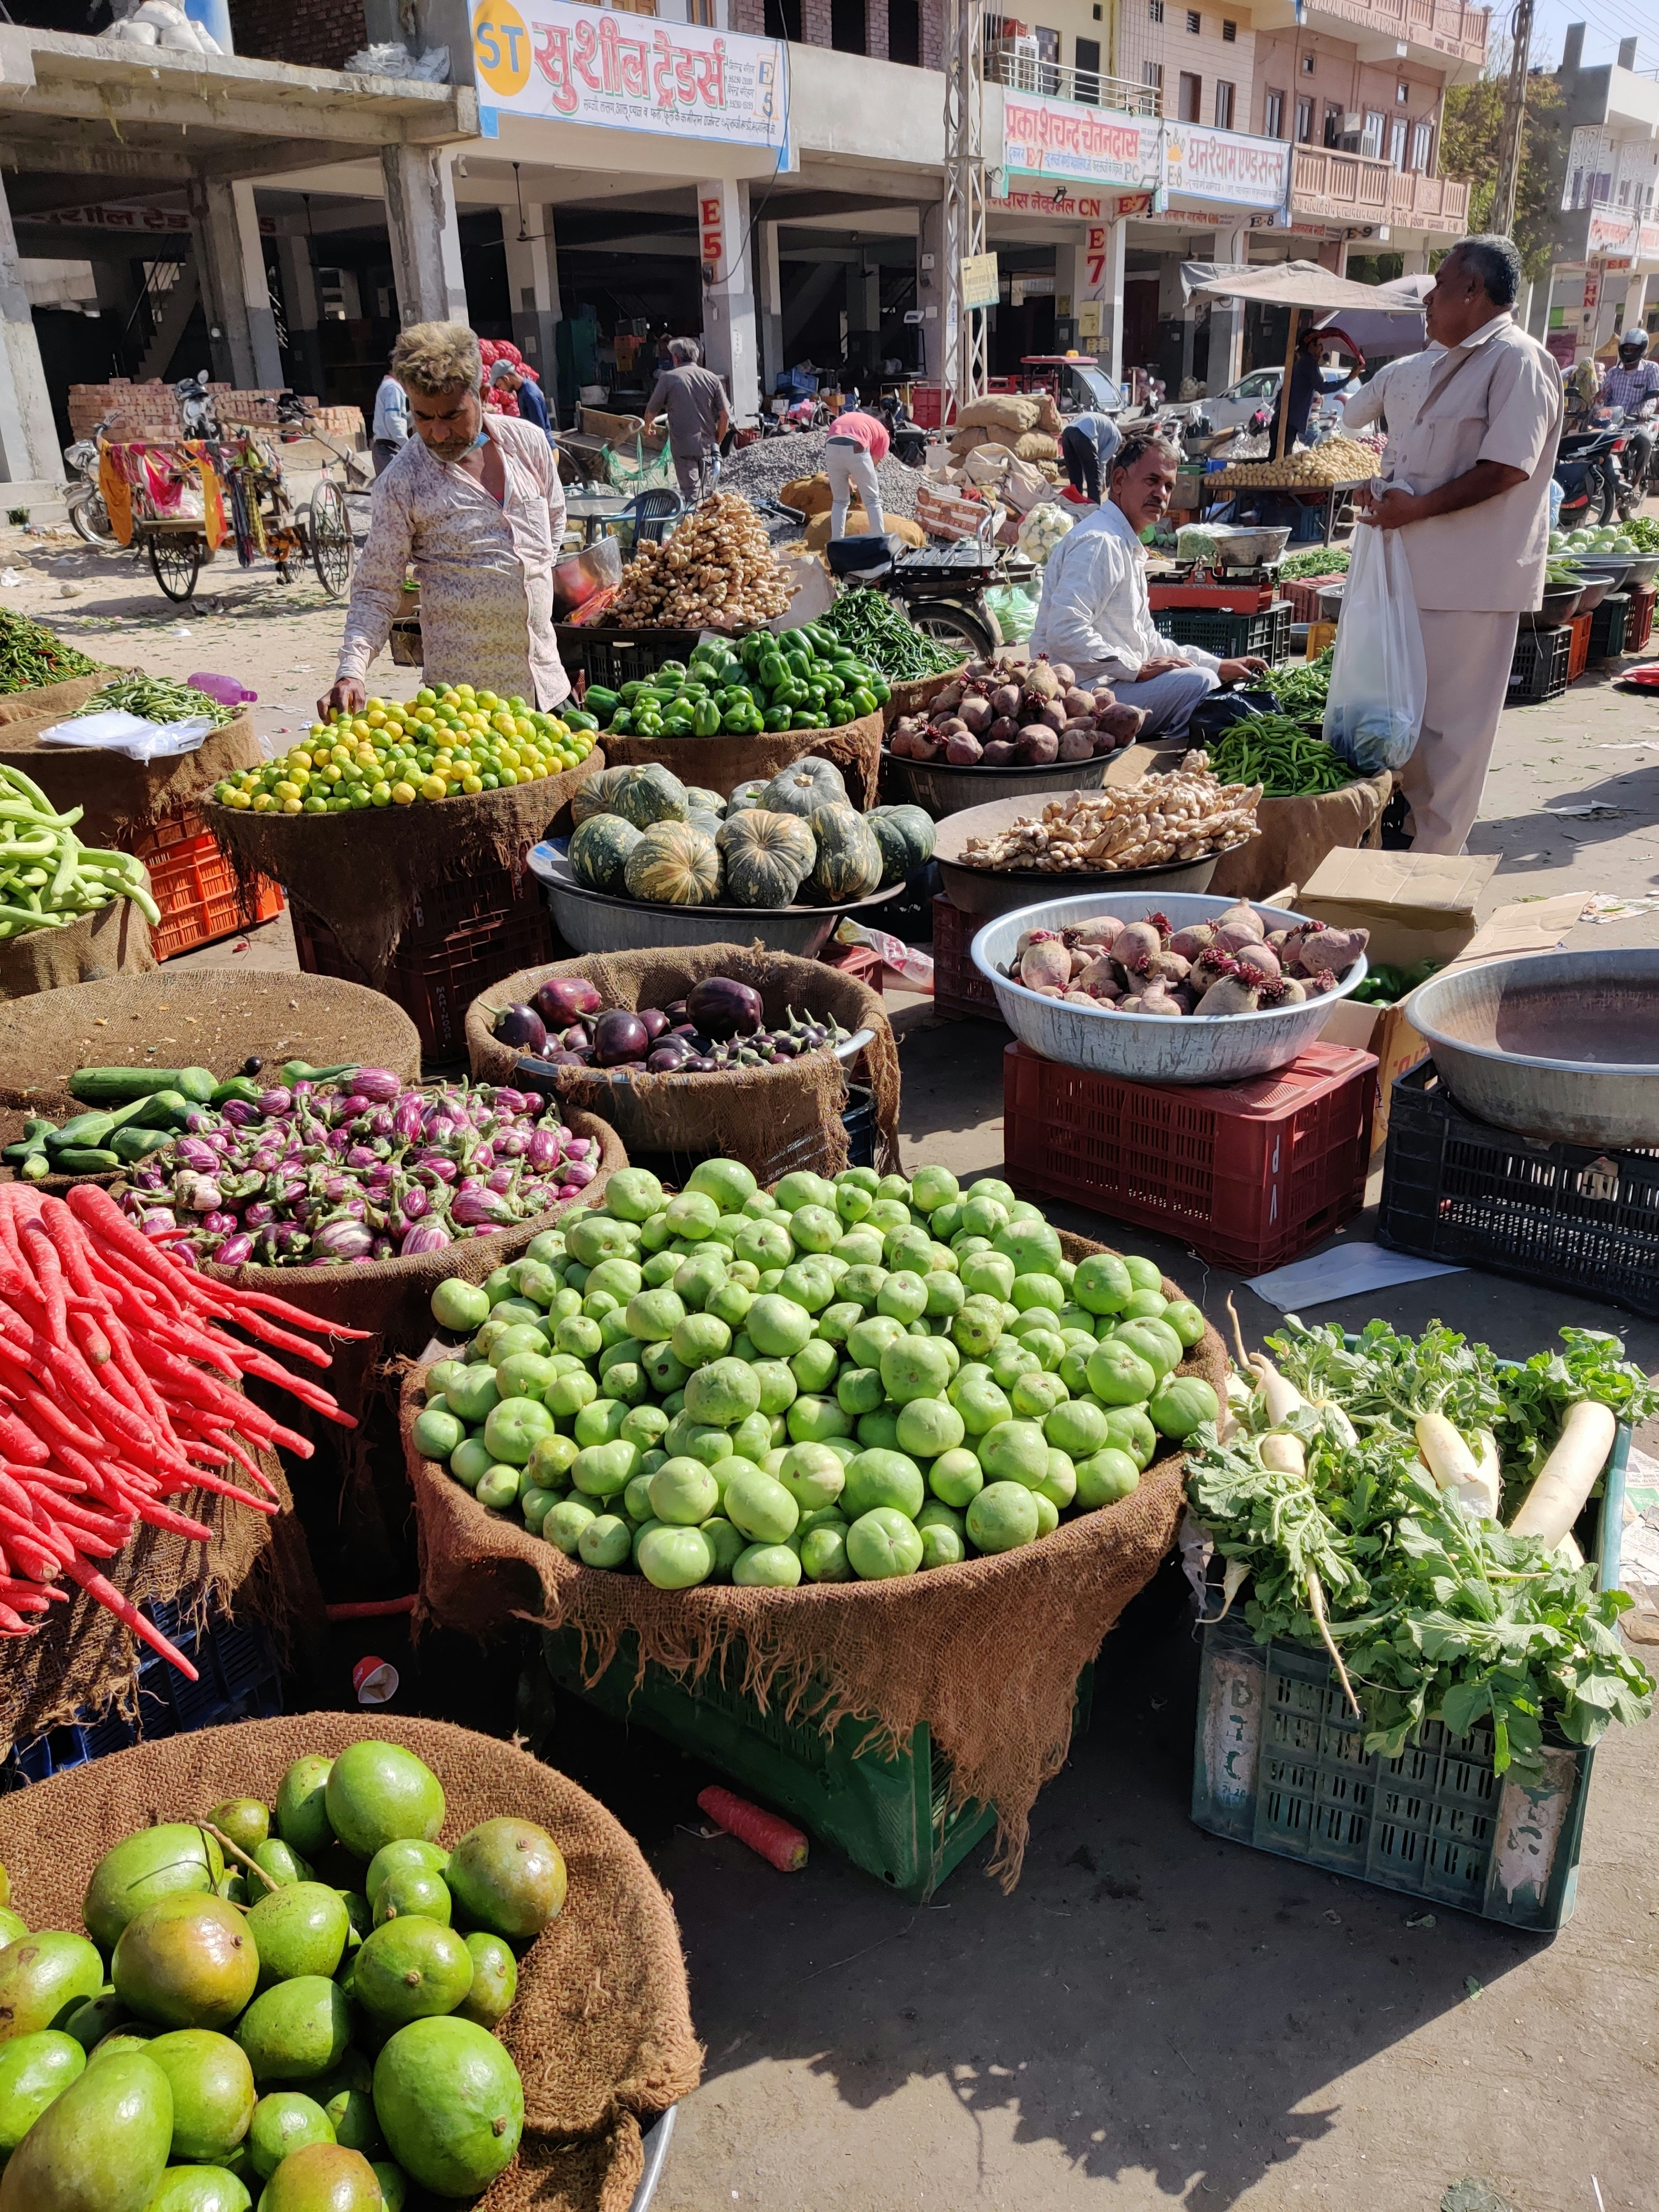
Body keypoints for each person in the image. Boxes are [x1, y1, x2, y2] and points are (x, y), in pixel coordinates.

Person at [1340, 234, 1562, 856]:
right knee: (1406, 732)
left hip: (1470, 585)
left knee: (1451, 744)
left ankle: (1430, 876)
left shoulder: (1518, 361)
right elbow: (1433, 466)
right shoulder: (1447, 363)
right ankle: (1409, 861)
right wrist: (1386, 493)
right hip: (1418, 574)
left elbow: (1506, 470)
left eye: (1439, 285)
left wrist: (1417, 507)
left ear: (1474, 290)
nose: (1429, 300)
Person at [320, 321, 569, 723]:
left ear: (484, 396)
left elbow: (555, 523)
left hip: (546, 685)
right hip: (463, 711)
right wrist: (352, 671)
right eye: (423, 417)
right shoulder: (402, 483)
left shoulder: (529, 445)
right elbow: (375, 590)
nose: (437, 433)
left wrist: (527, 585)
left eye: (452, 416)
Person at [1027, 429, 1267, 736]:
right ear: (1118, 481)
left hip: (1114, 682)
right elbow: (1065, 632)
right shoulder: (1101, 543)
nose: (1162, 495)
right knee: (1202, 686)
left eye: (1169, 486)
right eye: (1152, 481)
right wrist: (1135, 669)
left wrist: (1218, 664)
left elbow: (1150, 643)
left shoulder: (1125, 544)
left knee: (1209, 677)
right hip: (1084, 693)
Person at [643, 338, 730, 502]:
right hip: (708, 445)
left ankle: (698, 523)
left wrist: (648, 425)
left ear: (676, 358)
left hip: (683, 447)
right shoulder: (712, 378)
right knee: (706, 492)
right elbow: (725, 414)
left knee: (693, 495)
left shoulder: (669, 378)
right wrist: (718, 441)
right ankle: (705, 522)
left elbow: (651, 411)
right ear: (696, 357)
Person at [1272, 326, 1365, 459]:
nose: (1322, 350)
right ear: (1311, 346)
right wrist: (1349, 379)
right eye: (1319, 346)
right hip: (1287, 424)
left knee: (1280, 460)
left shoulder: (1303, 363)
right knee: (1280, 462)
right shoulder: (1308, 363)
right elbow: (1323, 388)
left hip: (1286, 422)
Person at [1601, 328, 1659, 495]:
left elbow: (1653, 396)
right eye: (1627, 349)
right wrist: (1598, 404)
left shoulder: (1651, 369)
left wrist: (1646, 412)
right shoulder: (1613, 373)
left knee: (1645, 442)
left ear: (1642, 349)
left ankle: (1635, 483)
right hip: (1613, 425)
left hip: (1636, 424)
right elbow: (1605, 398)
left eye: (1634, 349)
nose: (1629, 352)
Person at [823, 406, 890, 539]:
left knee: (840, 501)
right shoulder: (884, 434)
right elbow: (872, 465)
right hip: (857, 445)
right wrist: (860, 486)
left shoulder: (859, 420)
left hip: (831, 445)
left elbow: (840, 454)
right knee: (872, 500)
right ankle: (879, 543)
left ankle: (836, 544)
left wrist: (848, 480)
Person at [1057, 410, 1121, 504]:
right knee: (1093, 474)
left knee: (1075, 474)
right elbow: (1102, 462)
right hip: (1084, 432)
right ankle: (1094, 508)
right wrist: (1102, 485)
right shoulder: (1117, 438)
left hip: (1068, 432)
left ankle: (1076, 504)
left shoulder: (1107, 430)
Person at [490, 358, 552, 441]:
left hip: (544, 447)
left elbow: (539, 431)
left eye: (500, 385)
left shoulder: (529, 395)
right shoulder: (524, 388)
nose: (501, 389)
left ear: (506, 379)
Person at [371, 361, 409, 478]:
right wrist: (407, 446)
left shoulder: (394, 387)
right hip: (389, 449)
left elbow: (399, 417)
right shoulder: (393, 388)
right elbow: (393, 420)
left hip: (386, 449)